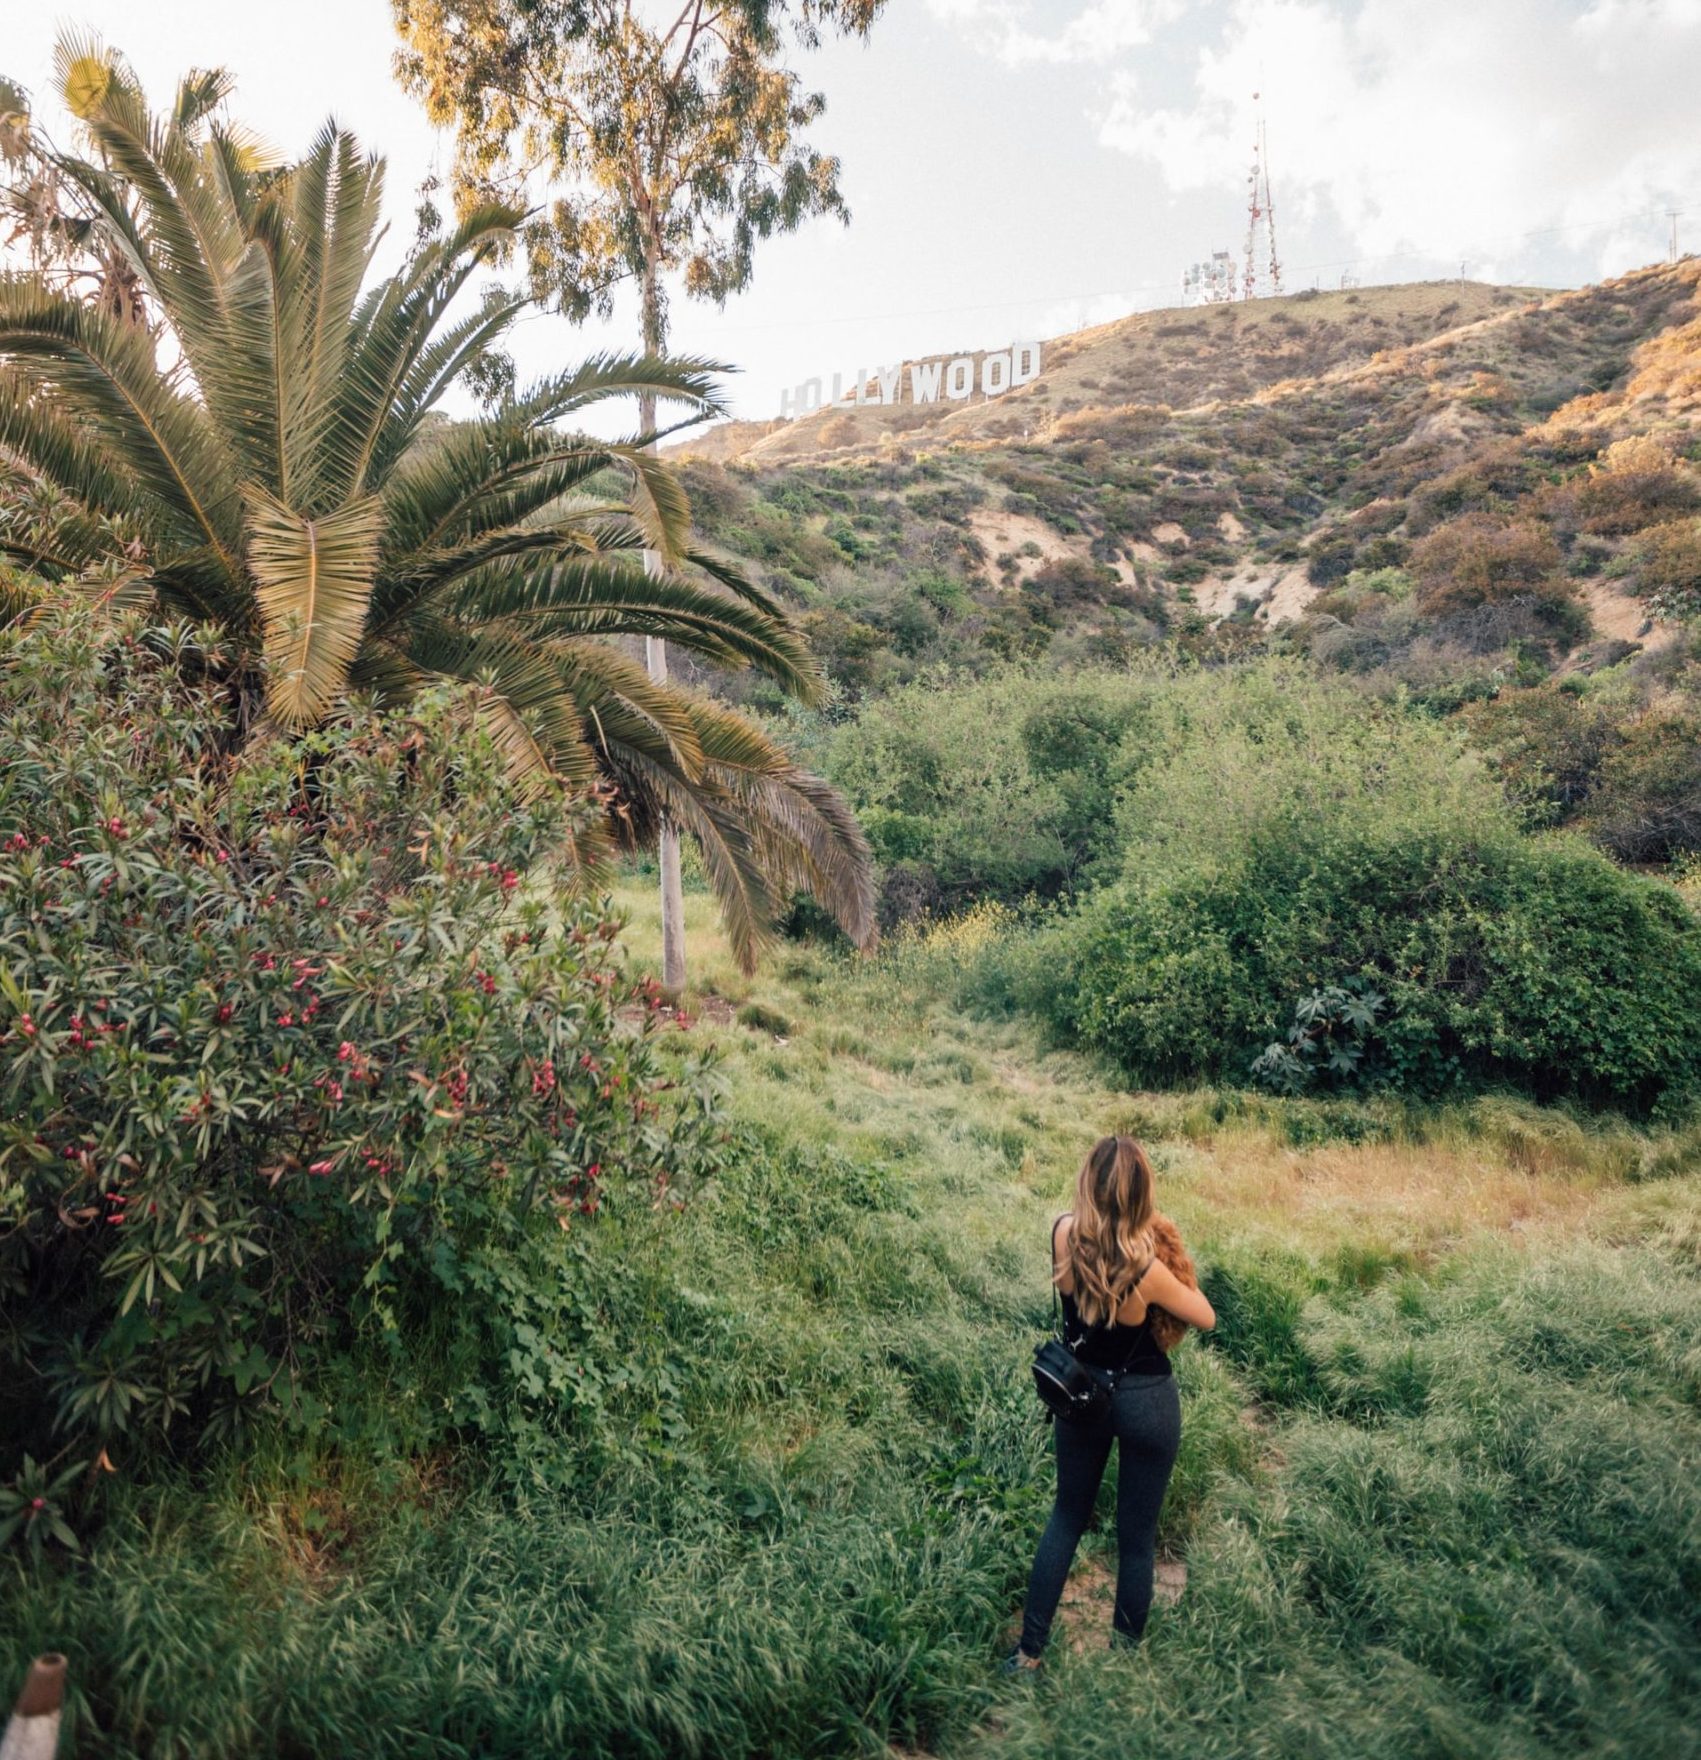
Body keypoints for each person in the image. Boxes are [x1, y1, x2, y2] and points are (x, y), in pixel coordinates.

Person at [1007, 1134, 1216, 1670]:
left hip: (1081, 1394)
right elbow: (1205, 1315)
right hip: (1146, 1401)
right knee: (1137, 1540)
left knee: (1066, 1516)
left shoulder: (1061, 1234)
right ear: (1142, 1196)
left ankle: (1028, 1654)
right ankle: (1122, 1665)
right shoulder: (1147, 1271)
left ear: (1086, 1184)